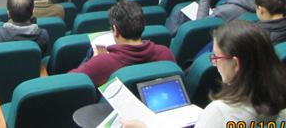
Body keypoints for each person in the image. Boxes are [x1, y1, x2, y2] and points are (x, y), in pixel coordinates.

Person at [121, 21, 286, 128]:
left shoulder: (222, 111)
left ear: (236, 63)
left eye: (216, 57)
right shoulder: (278, 96)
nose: (214, 63)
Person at [69, 1, 175, 86]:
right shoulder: (165, 53)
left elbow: (70, 80)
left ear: (115, 30)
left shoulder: (100, 63)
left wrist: (92, 60)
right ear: (143, 26)